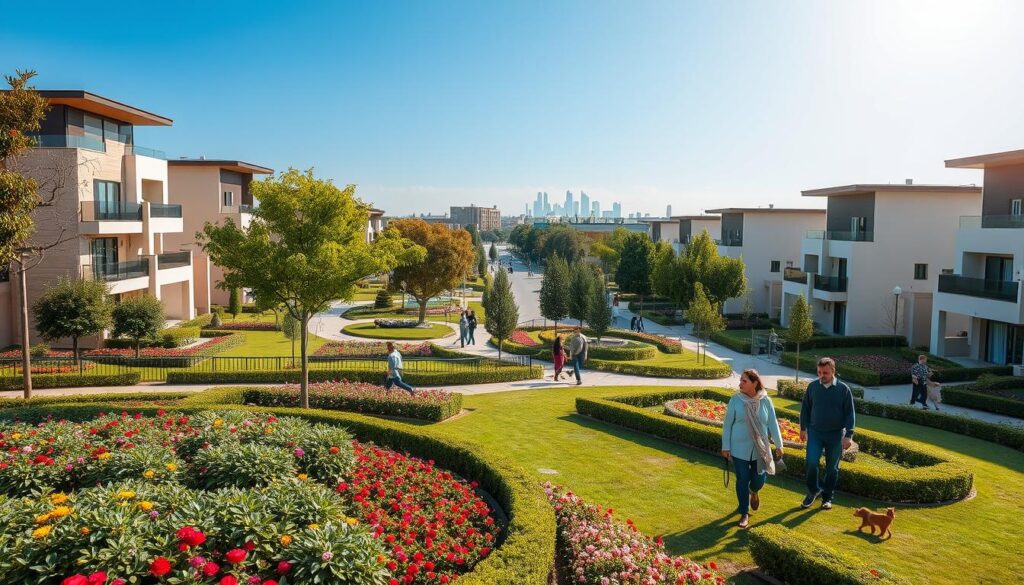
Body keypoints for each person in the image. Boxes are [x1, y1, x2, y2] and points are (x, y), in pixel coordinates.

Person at [721, 369, 784, 529]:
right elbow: (727, 424)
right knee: (742, 479)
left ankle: (753, 491)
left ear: (754, 383)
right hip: (738, 447)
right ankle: (744, 512)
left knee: (759, 479)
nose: (740, 384)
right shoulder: (735, 400)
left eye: (744, 381)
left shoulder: (766, 401)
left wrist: (779, 445)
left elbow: (773, 423)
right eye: (740, 380)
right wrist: (726, 446)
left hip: (760, 448)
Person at [799, 357, 855, 510]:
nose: (821, 376)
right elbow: (805, 408)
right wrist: (803, 428)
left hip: (835, 435)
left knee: (832, 469)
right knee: (811, 463)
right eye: (819, 372)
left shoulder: (843, 389)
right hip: (815, 433)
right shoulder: (812, 387)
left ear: (833, 371)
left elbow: (850, 414)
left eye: (825, 373)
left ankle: (827, 498)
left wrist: (849, 435)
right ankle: (813, 491)